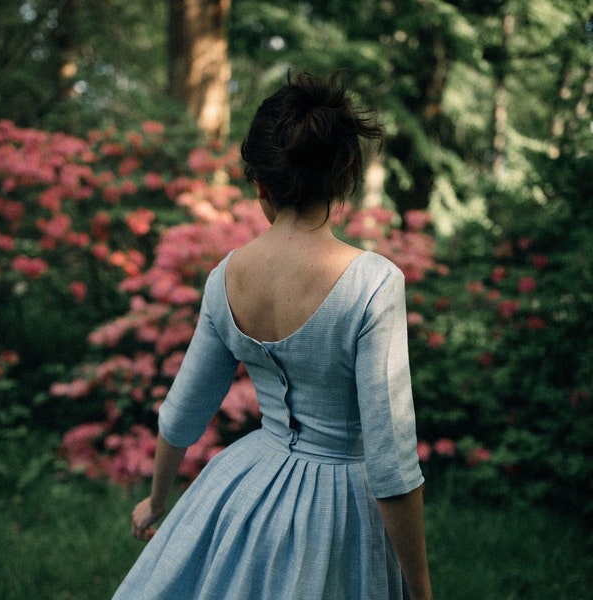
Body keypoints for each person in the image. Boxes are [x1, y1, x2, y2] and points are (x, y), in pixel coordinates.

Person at [113, 71, 433, 600]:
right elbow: (391, 460)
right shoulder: (374, 282)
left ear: (260, 182)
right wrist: (420, 590)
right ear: (342, 178)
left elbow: (184, 408)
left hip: (246, 486)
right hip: (341, 508)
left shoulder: (226, 276)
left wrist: (156, 500)